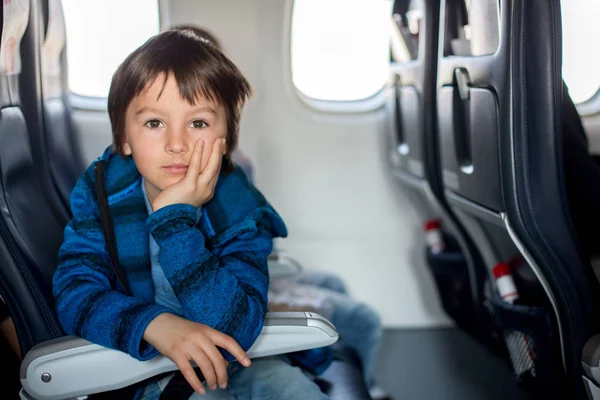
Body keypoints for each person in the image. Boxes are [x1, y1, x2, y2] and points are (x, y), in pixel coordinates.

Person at [52, 29, 330, 399]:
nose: (177, 144)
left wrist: (174, 222)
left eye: (197, 123)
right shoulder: (101, 192)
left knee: (296, 390)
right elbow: (75, 293)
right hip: (146, 367)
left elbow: (238, 327)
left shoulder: (240, 205)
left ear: (226, 138)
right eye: (154, 123)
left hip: (236, 359)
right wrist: (155, 325)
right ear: (124, 138)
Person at [170, 25, 390, 400]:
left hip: (242, 286)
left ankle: (358, 381)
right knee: (363, 320)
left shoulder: (233, 169)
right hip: (221, 307)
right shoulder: (164, 185)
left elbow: (246, 253)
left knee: (333, 284)